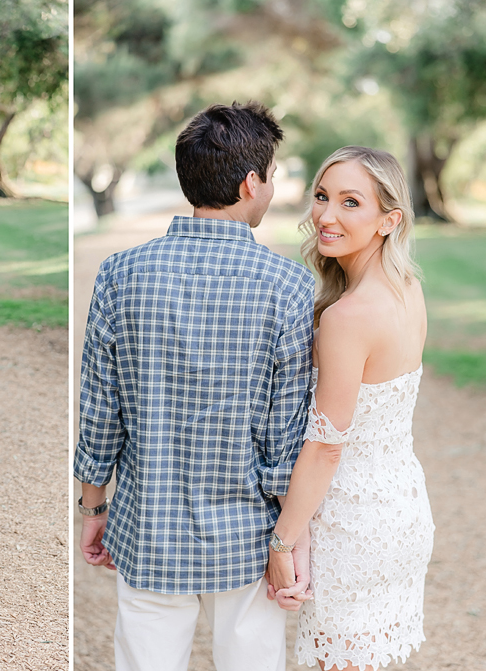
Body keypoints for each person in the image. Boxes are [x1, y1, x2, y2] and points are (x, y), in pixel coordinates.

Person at [75, 102, 315, 671]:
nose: (273, 185)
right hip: (250, 534)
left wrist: (93, 505)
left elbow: (99, 407)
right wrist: (289, 539)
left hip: (149, 520)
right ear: (251, 182)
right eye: (272, 174)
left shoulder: (120, 272)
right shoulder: (289, 286)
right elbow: (287, 435)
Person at [266, 146, 435, 670]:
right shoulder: (408, 289)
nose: (327, 216)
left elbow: (324, 450)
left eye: (350, 202)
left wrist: (282, 543)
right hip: (402, 508)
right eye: (322, 196)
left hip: (353, 526)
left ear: (389, 220)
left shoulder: (348, 317)